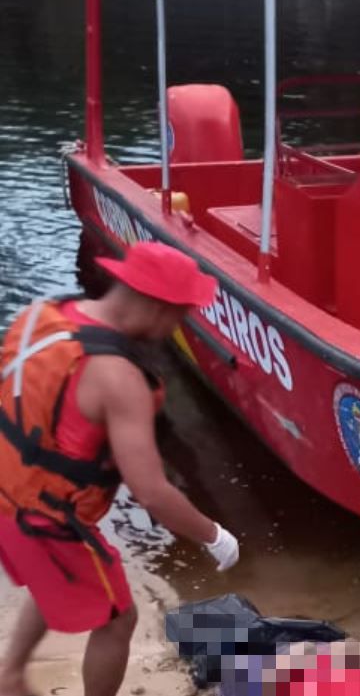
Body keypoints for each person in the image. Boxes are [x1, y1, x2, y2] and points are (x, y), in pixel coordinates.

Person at [0, 241, 240, 696]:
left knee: (48, 579)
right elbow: (150, 491)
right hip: (45, 517)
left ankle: (10, 673)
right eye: (180, 314)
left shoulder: (46, 314)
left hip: (7, 492)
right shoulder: (118, 376)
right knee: (118, 618)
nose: (179, 325)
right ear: (155, 306)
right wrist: (214, 535)